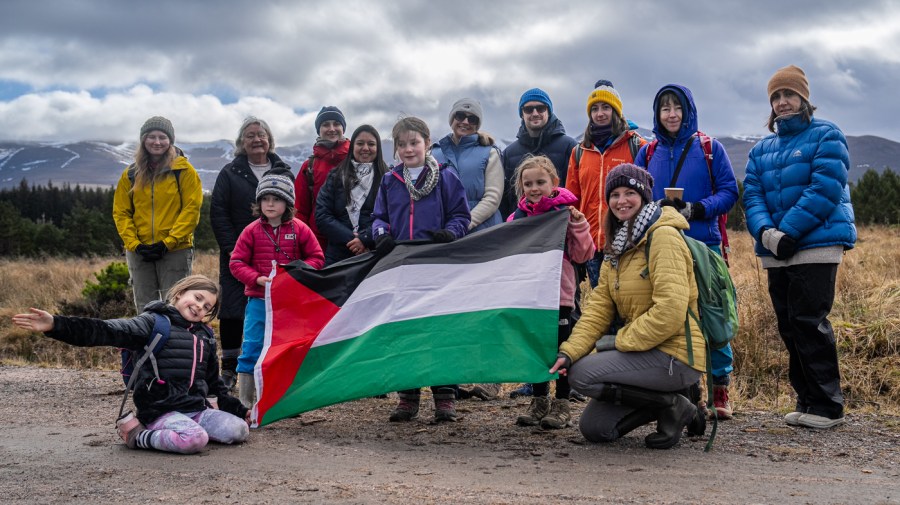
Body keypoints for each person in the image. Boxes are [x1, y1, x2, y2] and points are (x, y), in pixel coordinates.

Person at [549, 164, 706, 449]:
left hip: (676, 354)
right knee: (595, 429)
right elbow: (598, 309)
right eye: (615, 194)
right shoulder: (620, 245)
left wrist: (618, 341)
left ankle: (674, 400)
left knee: (581, 375)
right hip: (646, 351)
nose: (622, 201)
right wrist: (569, 351)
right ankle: (672, 407)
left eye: (630, 193)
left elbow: (670, 311)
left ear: (644, 197)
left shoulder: (663, 237)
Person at [12, 275, 250, 454]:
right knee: (195, 440)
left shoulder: (205, 337)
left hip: (196, 410)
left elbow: (213, 386)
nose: (200, 307)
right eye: (197, 298)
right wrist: (56, 324)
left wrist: (241, 411)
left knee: (239, 430)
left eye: (207, 307)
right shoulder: (152, 323)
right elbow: (107, 330)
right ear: (179, 294)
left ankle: (186, 428)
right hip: (160, 410)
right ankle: (138, 435)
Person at [743, 65, 856, 429]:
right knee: (790, 326)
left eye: (789, 94)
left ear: (804, 98)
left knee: (810, 322)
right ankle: (807, 401)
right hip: (777, 251)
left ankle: (827, 406)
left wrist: (787, 232)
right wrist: (766, 234)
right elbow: (754, 196)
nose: (782, 102)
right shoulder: (762, 150)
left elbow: (825, 188)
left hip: (815, 246)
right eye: (776, 97)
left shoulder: (827, 135)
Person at [635, 84, 739, 420]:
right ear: (657, 114)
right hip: (661, 245)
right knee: (674, 315)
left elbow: (729, 192)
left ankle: (720, 388)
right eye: (665, 108)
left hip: (703, 244)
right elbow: (632, 195)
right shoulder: (647, 153)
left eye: (677, 107)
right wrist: (655, 210)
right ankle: (688, 393)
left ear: (688, 110)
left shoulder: (710, 148)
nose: (671, 114)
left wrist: (696, 209)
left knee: (712, 314)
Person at [371, 116, 470, 422]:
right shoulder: (390, 181)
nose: (408, 149)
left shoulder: (446, 177)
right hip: (402, 265)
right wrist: (381, 235)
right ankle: (407, 395)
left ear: (428, 143)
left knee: (438, 330)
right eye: (401, 144)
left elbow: (461, 215)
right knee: (405, 330)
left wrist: (450, 233)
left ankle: (444, 397)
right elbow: (378, 216)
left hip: (436, 265)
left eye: (414, 142)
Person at [507, 155, 595, 429]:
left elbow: (584, 254)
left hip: (560, 297)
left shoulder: (566, 215)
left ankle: (562, 403)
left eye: (540, 182)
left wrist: (579, 226)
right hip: (530, 296)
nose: (534, 188)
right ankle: (539, 400)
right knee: (536, 349)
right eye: (528, 183)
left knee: (561, 350)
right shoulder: (517, 217)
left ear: (554, 183)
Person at [230, 169, 325, 407]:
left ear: (288, 203)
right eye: (265, 199)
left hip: (290, 304)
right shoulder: (251, 231)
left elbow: (317, 258)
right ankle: (245, 403)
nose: (270, 204)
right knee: (251, 346)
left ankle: (284, 400)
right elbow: (236, 262)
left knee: (288, 350)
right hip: (258, 301)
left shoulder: (301, 229)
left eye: (277, 199)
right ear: (259, 202)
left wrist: (297, 270)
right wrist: (256, 279)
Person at [211, 116, 291, 390]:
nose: (257, 139)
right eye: (250, 135)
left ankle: (271, 367)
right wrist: (236, 249)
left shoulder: (283, 171)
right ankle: (231, 369)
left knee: (275, 311)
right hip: (238, 255)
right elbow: (218, 213)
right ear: (241, 143)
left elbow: (295, 210)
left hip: (279, 256)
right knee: (233, 311)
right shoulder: (230, 173)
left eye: (262, 134)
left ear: (269, 140)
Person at [112, 116, 202, 312]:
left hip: (175, 250)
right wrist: (135, 244)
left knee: (177, 306)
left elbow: (191, 210)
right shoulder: (130, 174)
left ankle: (176, 343)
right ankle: (148, 343)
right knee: (145, 307)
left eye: (162, 137)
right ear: (143, 140)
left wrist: (168, 242)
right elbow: (121, 212)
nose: (157, 142)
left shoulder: (184, 171)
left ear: (170, 141)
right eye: (151, 136)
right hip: (139, 251)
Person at [567, 80, 647, 288]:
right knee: (603, 304)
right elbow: (572, 199)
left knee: (630, 300)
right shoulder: (579, 152)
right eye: (594, 109)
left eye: (605, 107)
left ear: (616, 111)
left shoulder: (637, 145)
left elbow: (648, 196)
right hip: (593, 244)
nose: (600, 113)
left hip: (629, 240)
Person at [314, 125, 390, 265]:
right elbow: (322, 215)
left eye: (371, 144)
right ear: (352, 146)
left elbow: (391, 215)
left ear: (378, 148)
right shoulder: (336, 176)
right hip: (337, 256)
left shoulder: (388, 178)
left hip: (375, 255)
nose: (365, 148)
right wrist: (353, 239)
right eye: (360, 143)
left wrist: (365, 238)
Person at [500, 88, 577, 218]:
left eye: (540, 108)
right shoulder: (509, 153)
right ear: (522, 114)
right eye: (528, 109)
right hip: (521, 227)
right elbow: (506, 198)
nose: (535, 113)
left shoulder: (569, 146)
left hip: (560, 224)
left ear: (549, 111)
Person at [431, 98, 504, 233]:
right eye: (460, 116)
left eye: (472, 119)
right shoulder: (433, 154)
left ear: (477, 125)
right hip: (443, 232)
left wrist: (462, 224)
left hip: (484, 231)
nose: (465, 122)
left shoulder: (490, 153)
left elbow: (493, 197)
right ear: (452, 118)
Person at [294, 106, 351, 251]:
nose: (331, 128)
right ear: (319, 130)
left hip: (354, 240)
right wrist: (303, 240)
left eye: (336, 124)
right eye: (325, 124)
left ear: (343, 128)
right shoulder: (309, 166)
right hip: (318, 241)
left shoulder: (356, 160)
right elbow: (300, 209)